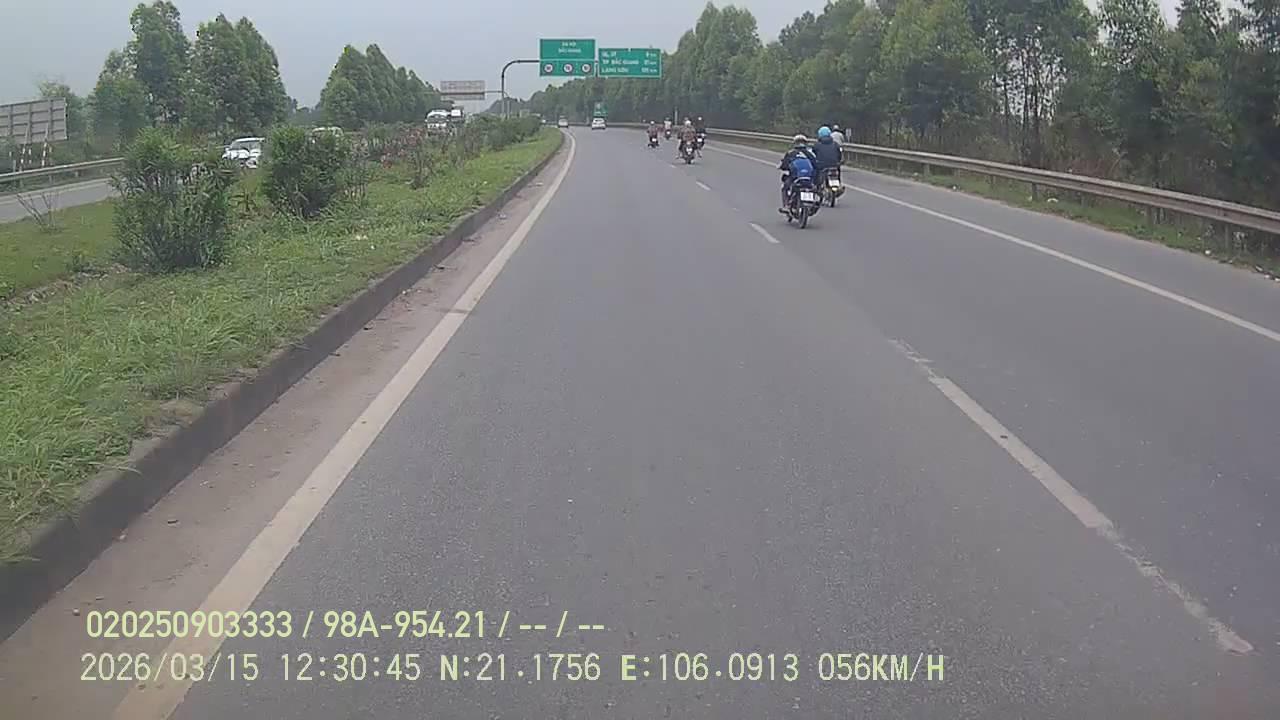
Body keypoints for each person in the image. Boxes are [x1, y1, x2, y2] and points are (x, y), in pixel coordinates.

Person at [778, 134, 818, 212]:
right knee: (813, 187)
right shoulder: (810, 153)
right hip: (809, 178)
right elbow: (816, 165)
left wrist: (783, 167)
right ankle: (812, 202)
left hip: (796, 178)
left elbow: (784, 165)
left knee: (785, 187)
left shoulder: (791, 153)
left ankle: (786, 205)